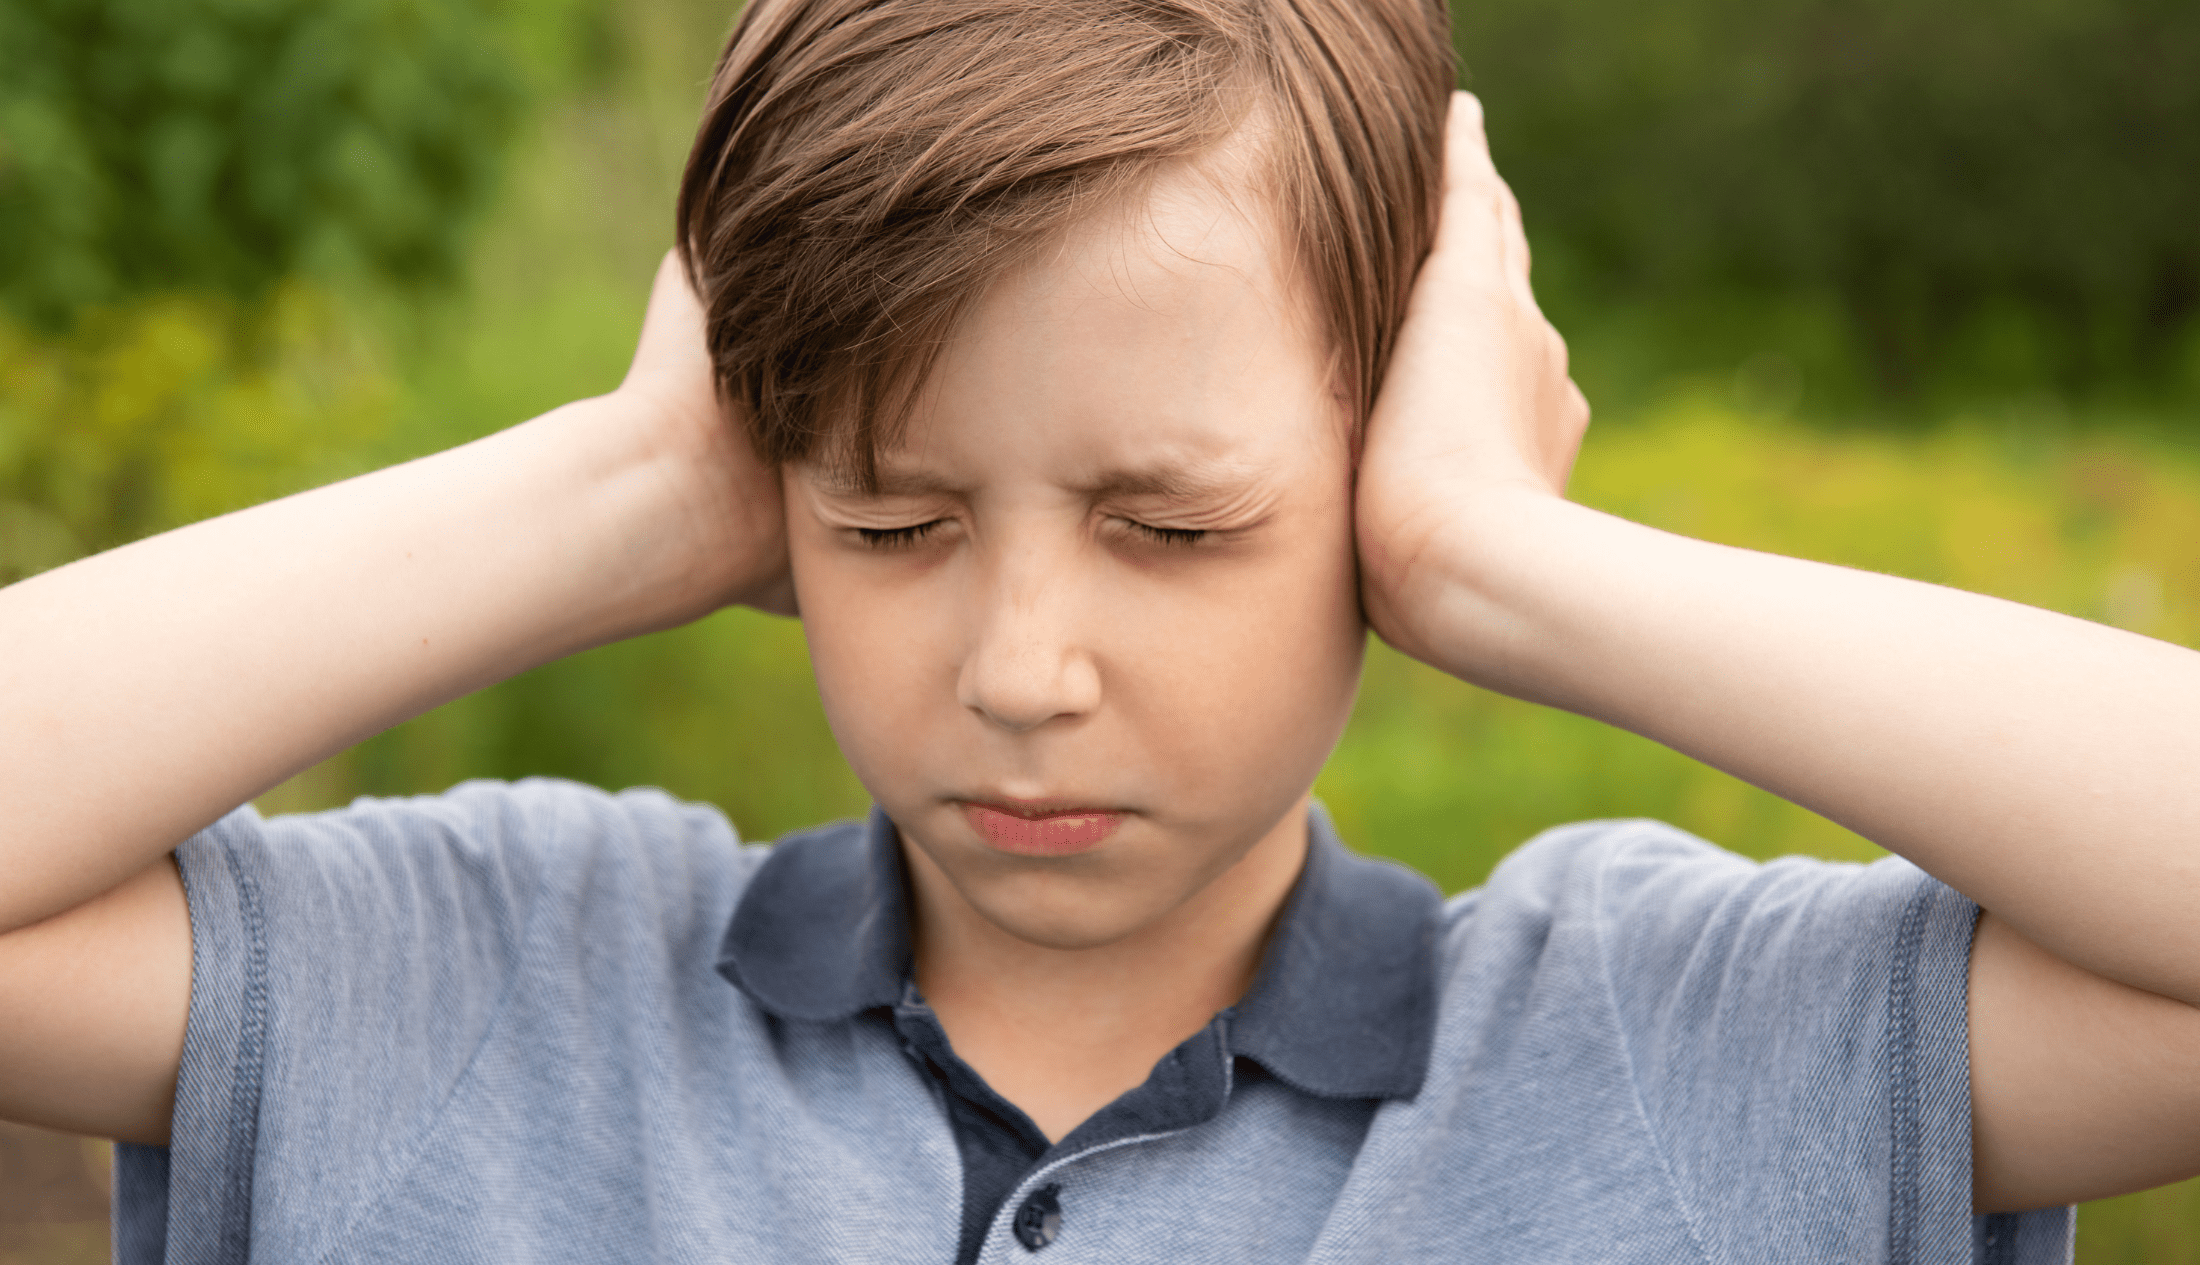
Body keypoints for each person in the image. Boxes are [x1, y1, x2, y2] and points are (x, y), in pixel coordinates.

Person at [1, 0, 2196, 1260]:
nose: (1019, 665)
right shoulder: (491, 984)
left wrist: (1505, 557)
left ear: (1374, 467)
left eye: (1168, 523)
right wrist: (619, 484)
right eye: (886, 516)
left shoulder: (1668, 1050)